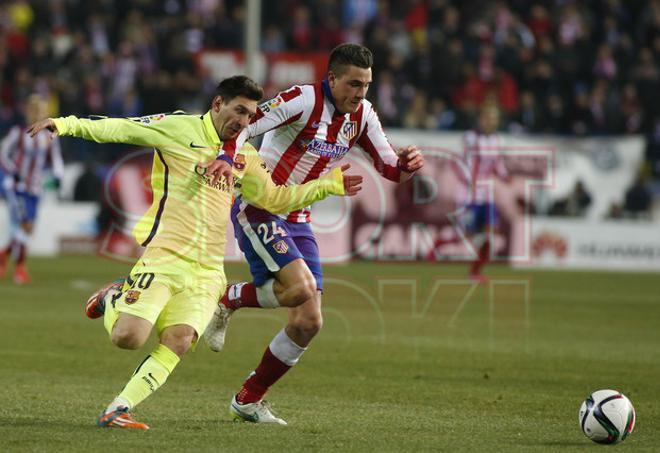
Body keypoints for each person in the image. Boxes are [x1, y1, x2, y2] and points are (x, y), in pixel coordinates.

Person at [27, 75, 362, 430]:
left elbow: (276, 198)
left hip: (207, 271)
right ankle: (114, 297)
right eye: (238, 111)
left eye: (250, 116)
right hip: (166, 257)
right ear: (217, 104)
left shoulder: (244, 157)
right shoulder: (177, 127)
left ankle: (119, 408)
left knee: (180, 339)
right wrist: (64, 124)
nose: (244, 122)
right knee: (128, 338)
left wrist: (326, 186)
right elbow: (120, 128)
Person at [202, 43, 424, 425]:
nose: (359, 93)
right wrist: (225, 156)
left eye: (366, 85)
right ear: (332, 78)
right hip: (259, 206)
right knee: (301, 290)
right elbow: (247, 124)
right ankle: (228, 299)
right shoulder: (302, 99)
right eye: (353, 84)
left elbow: (390, 167)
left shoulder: (363, 115)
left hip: (299, 216)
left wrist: (408, 164)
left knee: (308, 321)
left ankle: (248, 398)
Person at [426, 103, 508, 282]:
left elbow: (497, 163)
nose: (491, 122)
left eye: (494, 119)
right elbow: (458, 162)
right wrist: (467, 179)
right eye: (488, 118)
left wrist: (505, 176)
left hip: (486, 196)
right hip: (468, 194)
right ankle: (438, 244)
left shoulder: (498, 140)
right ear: (481, 119)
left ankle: (474, 273)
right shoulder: (471, 138)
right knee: (463, 235)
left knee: (489, 234)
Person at [0, 95, 64, 284]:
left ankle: (4, 254)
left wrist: (59, 175)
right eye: (33, 108)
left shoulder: (50, 136)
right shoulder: (18, 132)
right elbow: (3, 154)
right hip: (16, 187)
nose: (37, 112)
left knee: (28, 228)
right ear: (28, 111)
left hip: (36, 188)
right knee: (25, 225)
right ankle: (20, 269)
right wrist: (13, 171)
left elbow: (56, 158)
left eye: (40, 109)